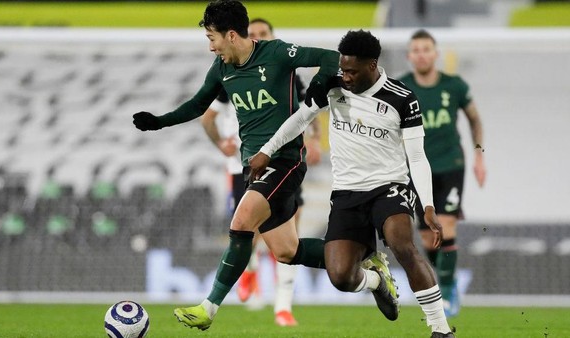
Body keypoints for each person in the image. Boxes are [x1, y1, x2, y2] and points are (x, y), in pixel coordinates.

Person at [133, 1, 397, 331]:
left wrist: (320, 83)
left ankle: (208, 307)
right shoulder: (221, 68)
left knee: (242, 222)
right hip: (253, 167)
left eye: (212, 38)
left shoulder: (276, 53)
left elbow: (331, 58)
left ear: (231, 35)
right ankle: (371, 272)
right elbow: (198, 105)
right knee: (287, 251)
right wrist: (159, 122)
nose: (210, 45)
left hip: (285, 160)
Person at [249, 29, 455, 338]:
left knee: (402, 244)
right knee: (341, 277)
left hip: (390, 187)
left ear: (372, 65)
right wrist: (266, 150)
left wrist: (427, 205)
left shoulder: (402, 99)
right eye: (342, 69)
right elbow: (301, 119)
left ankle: (441, 329)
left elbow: (417, 156)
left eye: (351, 71)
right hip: (346, 193)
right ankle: (376, 281)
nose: (344, 75)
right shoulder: (332, 87)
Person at [200, 17, 322, 327]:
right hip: (245, 166)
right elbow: (207, 117)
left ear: (271, 37)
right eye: (251, 34)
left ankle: (282, 305)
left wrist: (316, 140)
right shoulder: (231, 74)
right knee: (247, 228)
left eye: (261, 34)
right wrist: (222, 145)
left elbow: (310, 105)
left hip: (285, 161)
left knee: (287, 235)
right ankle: (250, 272)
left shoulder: (284, 70)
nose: (255, 38)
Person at [399, 29, 486, 317]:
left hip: (451, 165)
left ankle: (447, 290)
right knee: (427, 238)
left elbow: (475, 120)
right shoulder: (402, 88)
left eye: (427, 49)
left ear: (436, 54)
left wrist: (479, 156)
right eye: (416, 50)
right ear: (410, 56)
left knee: (446, 228)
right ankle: (446, 276)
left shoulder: (455, 85)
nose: (422, 54)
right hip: (416, 169)